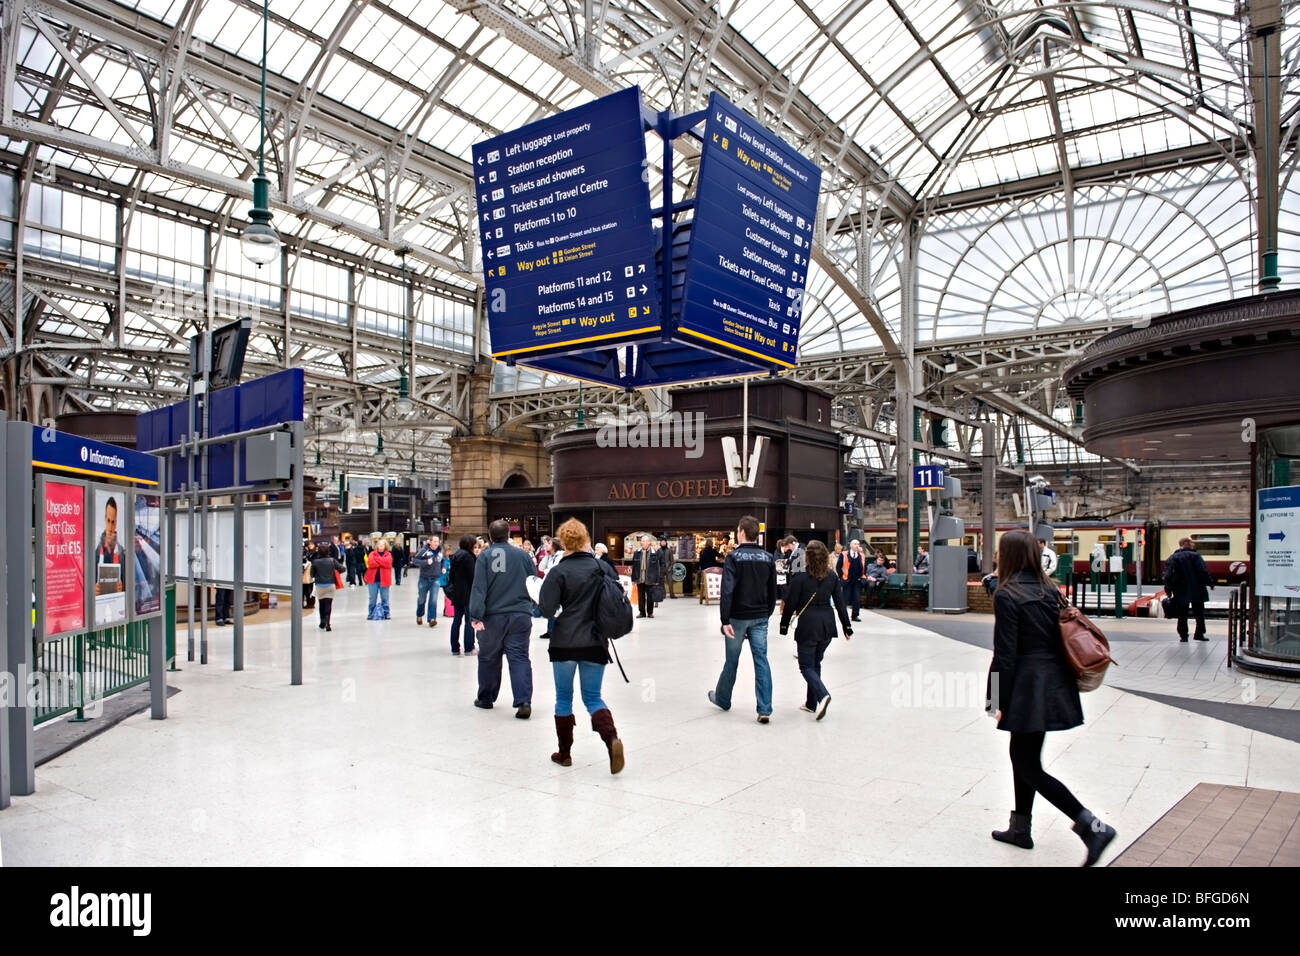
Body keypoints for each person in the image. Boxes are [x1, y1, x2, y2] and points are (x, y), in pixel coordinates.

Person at [986, 529, 1117, 866]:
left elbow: (1005, 656)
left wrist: (995, 700)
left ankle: (1092, 825)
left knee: (1027, 762)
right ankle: (1020, 829)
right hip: (1053, 683)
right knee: (1025, 757)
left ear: (1009, 555)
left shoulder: (1007, 594)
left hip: (1026, 688)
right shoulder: (1050, 590)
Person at [539, 518, 625, 774]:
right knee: (593, 697)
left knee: (563, 698)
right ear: (586, 540)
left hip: (564, 641)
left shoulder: (558, 572)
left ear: (563, 542)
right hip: (595, 641)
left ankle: (564, 753)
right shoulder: (602, 568)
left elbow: (546, 609)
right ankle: (611, 739)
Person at [708, 515, 778, 723]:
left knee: (732, 660)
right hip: (760, 616)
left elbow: (727, 589)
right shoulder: (768, 558)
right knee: (761, 660)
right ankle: (764, 708)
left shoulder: (734, 557)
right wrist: (767, 612)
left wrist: (724, 620)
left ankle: (723, 698)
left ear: (741, 532)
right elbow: (773, 590)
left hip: (737, 617)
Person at [468, 519, 538, 718]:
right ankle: (523, 701)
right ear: (508, 534)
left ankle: (486, 698)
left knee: (489, 657)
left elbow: (479, 588)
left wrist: (476, 615)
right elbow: (533, 582)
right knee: (519, 657)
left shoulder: (485, 557)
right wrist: (529, 606)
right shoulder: (523, 555)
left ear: (490, 536)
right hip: (520, 615)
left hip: (493, 616)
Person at [780, 540, 851, 720]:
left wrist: (783, 625)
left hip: (808, 625)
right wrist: (846, 626)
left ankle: (822, 695)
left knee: (805, 665)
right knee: (815, 663)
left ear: (807, 556)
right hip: (827, 625)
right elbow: (840, 603)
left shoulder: (801, 577)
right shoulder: (832, 577)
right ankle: (811, 704)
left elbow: (791, 604)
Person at [1163, 537, 1213, 642]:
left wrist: (1168, 590)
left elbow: (1167, 575)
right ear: (1186, 543)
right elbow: (1203, 571)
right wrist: (1210, 583)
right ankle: (1199, 634)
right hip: (1197, 589)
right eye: (1191, 542)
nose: (1192, 544)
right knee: (1199, 613)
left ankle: (1183, 636)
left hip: (1180, 590)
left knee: (1182, 614)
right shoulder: (1196, 556)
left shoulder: (1173, 557)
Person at [446, 533, 478, 656]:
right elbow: (472, 577)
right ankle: (469, 648)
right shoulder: (469, 557)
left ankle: (455, 648)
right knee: (469, 621)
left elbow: (452, 576)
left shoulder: (455, 556)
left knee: (456, 621)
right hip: (468, 593)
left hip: (457, 593)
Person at [93, 496, 127, 595]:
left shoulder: (122, 554)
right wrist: (93, 590)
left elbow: (130, 586)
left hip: (117, 605)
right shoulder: (95, 552)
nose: (110, 528)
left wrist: (123, 588)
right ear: (104, 519)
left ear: (116, 523)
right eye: (108, 521)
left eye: (113, 522)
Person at [310, 543, 345, 631]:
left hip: (320, 586)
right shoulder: (332, 560)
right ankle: (328, 623)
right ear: (328, 551)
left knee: (321, 604)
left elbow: (312, 574)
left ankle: (322, 622)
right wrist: (335, 573)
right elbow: (343, 568)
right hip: (330, 585)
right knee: (328, 604)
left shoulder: (315, 562)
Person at [630, 534, 663, 619]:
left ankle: (650, 612)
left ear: (649, 542)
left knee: (650, 597)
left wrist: (657, 579)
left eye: (645, 541)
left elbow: (658, 565)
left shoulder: (654, 552)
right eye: (642, 541)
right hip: (640, 577)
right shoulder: (637, 552)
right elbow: (634, 566)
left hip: (650, 578)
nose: (644, 542)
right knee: (640, 597)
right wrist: (633, 578)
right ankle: (641, 612)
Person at [414, 535, 443, 627]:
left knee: (433, 599)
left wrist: (443, 568)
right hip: (424, 579)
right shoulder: (424, 551)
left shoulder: (440, 551)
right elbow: (414, 560)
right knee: (422, 598)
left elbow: (442, 561)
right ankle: (419, 614)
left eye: (437, 541)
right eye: (434, 541)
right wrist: (426, 562)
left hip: (436, 579)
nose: (436, 543)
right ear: (429, 542)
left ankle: (432, 619)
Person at [836, 539, 866, 622]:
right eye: (855, 544)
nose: (857, 545)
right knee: (845, 599)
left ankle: (855, 616)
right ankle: (843, 616)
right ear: (851, 545)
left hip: (857, 580)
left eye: (858, 544)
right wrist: (841, 577)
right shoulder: (844, 554)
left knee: (856, 599)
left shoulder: (862, 555)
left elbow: (864, 567)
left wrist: (863, 578)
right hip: (847, 580)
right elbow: (838, 567)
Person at [364, 539, 393, 620]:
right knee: (372, 598)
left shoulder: (388, 555)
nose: (380, 546)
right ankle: (370, 613)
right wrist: (382, 562)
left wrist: (377, 560)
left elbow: (388, 563)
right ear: (376, 545)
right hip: (372, 580)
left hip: (384, 580)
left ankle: (386, 613)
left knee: (385, 598)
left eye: (382, 544)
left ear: (385, 546)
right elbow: (371, 563)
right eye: (379, 544)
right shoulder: (371, 554)